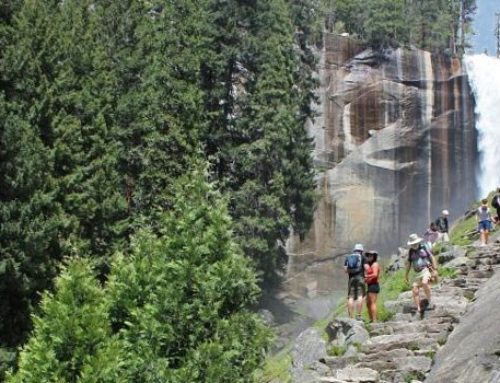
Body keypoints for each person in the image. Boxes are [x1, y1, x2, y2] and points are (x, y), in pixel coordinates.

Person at [405, 233, 438, 314]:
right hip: (416, 273)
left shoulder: (424, 247)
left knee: (424, 283)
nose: (414, 245)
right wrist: (406, 275)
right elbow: (409, 264)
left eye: (415, 243)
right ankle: (418, 308)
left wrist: (435, 269)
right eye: (413, 244)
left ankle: (430, 301)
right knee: (414, 290)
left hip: (425, 269)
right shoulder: (410, 252)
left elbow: (431, 257)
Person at [344, 243, 365, 320]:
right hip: (360, 278)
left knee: (350, 297)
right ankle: (358, 315)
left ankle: (350, 317)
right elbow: (366, 267)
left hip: (351, 279)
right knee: (360, 296)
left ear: (354, 250)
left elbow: (345, 270)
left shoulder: (348, 257)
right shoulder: (363, 257)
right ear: (361, 251)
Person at [364, 250, 380, 323]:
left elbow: (375, 274)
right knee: (368, 303)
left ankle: (374, 320)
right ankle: (371, 319)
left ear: (374, 257)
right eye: (368, 256)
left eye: (371, 256)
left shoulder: (375, 264)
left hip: (374, 285)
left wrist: (366, 276)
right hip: (370, 285)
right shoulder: (370, 265)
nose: (369, 257)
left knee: (372, 303)